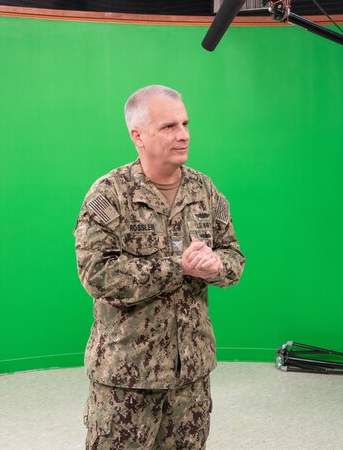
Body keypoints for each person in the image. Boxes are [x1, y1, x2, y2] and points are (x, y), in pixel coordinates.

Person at [74, 85, 245, 450]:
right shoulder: (109, 194)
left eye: (185, 123)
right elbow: (97, 275)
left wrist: (216, 265)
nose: (182, 134)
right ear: (138, 135)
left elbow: (234, 258)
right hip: (127, 379)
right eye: (168, 126)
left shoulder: (205, 190)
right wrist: (177, 267)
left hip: (191, 376)